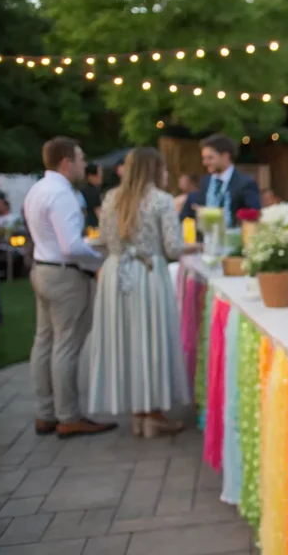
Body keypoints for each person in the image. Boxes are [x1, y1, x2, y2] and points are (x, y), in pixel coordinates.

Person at [86, 147, 191, 437]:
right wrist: (195, 246)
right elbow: (172, 248)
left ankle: (139, 412)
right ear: (155, 169)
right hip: (146, 273)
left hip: (115, 273)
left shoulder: (111, 198)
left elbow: (104, 240)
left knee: (127, 341)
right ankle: (153, 414)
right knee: (151, 340)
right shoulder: (161, 200)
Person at [23, 136, 114, 438]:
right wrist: (100, 256)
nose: (84, 163)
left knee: (44, 343)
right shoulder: (61, 194)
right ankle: (68, 415)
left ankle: (45, 412)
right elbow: (71, 246)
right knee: (66, 346)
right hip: (64, 275)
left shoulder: (37, 189)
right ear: (66, 162)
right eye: (80, 158)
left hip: (42, 269)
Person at [180, 134, 260, 225]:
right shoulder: (205, 182)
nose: (205, 163)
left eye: (210, 158)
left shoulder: (245, 183)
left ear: (225, 156)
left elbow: (255, 216)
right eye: (204, 158)